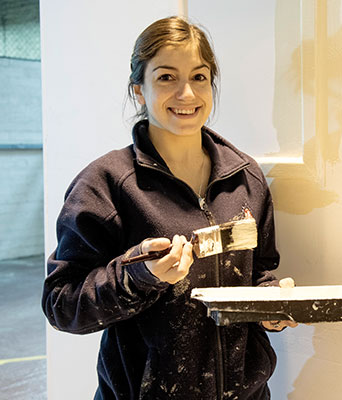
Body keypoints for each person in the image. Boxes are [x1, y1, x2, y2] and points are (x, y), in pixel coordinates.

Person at [42, 16, 296, 400]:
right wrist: (139, 277)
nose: (187, 94)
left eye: (199, 77)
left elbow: (255, 272)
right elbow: (62, 304)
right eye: (166, 77)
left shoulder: (246, 178)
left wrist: (272, 305)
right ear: (138, 90)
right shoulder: (106, 183)